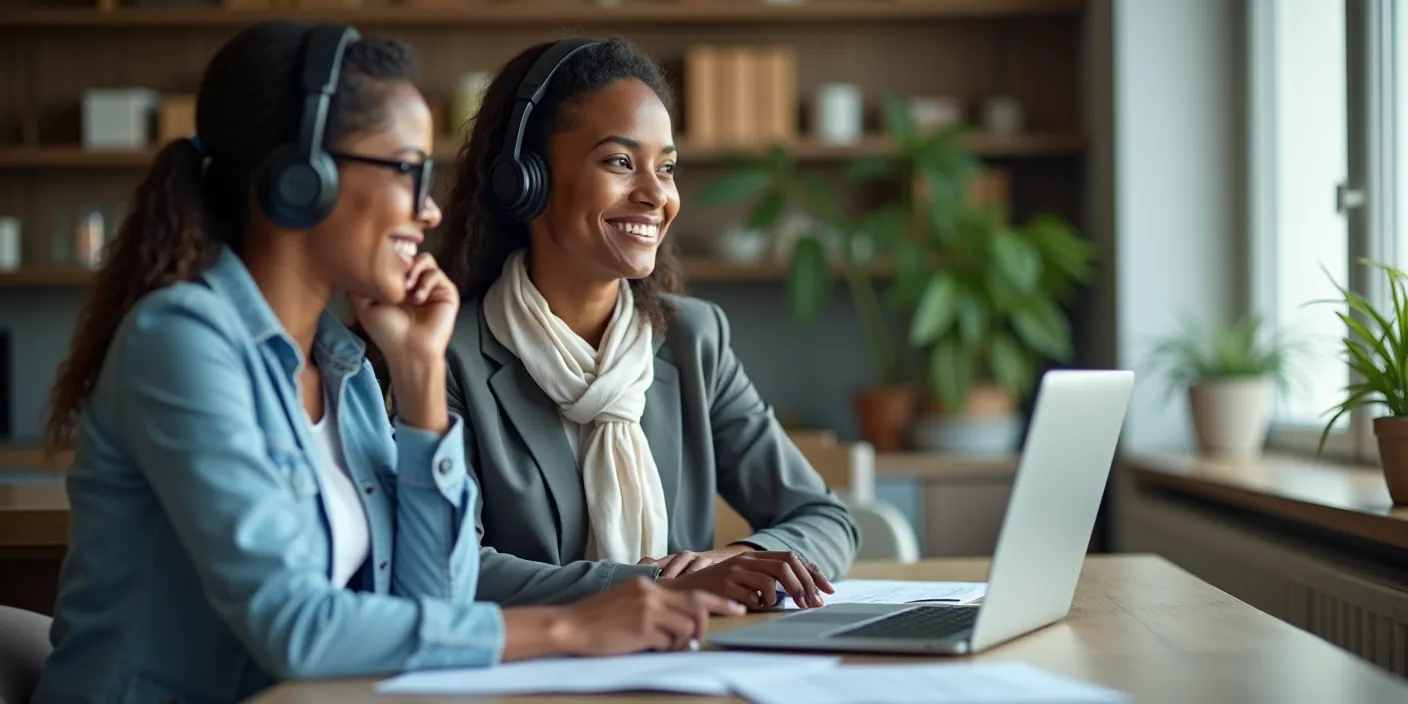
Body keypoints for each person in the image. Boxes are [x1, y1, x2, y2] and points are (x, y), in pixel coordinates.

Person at [31, 22, 740, 704]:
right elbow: (295, 628)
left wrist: (421, 373)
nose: (429, 210)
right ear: (301, 178)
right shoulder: (182, 344)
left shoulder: (345, 368)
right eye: (406, 170)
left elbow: (436, 601)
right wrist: (574, 625)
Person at [436, 36, 861, 612]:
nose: (656, 194)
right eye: (619, 161)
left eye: (666, 167)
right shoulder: (445, 355)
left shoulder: (693, 339)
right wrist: (652, 587)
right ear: (526, 177)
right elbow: (450, 566)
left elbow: (823, 517)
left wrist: (729, 561)